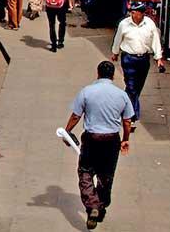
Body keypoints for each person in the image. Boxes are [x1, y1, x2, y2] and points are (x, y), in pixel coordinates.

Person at [64, 61, 133, 230]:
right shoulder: (121, 95)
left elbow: (75, 115)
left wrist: (66, 131)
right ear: (113, 76)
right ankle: (100, 206)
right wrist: (125, 139)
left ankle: (92, 205)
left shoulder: (87, 92)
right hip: (111, 140)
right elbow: (127, 120)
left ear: (98, 73)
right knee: (106, 174)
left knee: (85, 172)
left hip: (91, 138)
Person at [110, 3, 165, 130]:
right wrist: (115, 52)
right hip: (128, 59)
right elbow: (117, 39)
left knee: (136, 88)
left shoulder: (149, 24)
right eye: (131, 11)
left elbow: (155, 40)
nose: (132, 14)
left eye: (135, 12)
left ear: (142, 13)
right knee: (131, 87)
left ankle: (122, 107)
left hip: (143, 59)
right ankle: (132, 117)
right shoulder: (124, 24)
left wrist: (158, 58)